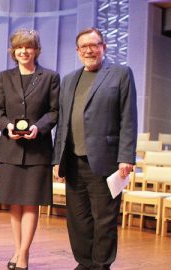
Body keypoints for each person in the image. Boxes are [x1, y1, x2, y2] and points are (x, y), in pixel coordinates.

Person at [52, 27, 137, 270]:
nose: (89, 50)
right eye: (84, 47)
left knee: (105, 219)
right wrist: (58, 158)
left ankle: (101, 264)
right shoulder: (69, 80)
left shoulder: (120, 74)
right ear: (78, 51)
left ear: (103, 47)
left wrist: (126, 156)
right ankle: (85, 262)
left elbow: (128, 118)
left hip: (106, 161)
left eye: (94, 45)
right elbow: (63, 122)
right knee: (78, 219)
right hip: (74, 161)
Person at [0, 29, 59, 270]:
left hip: (37, 149)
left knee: (31, 202)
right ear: (13, 51)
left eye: (28, 47)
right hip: (11, 147)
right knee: (14, 203)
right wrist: (7, 126)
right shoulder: (4, 76)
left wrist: (38, 128)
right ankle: (17, 249)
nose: (23, 51)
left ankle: (23, 254)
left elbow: (54, 111)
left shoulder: (50, 77)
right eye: (19, 47)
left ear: (36, 50)